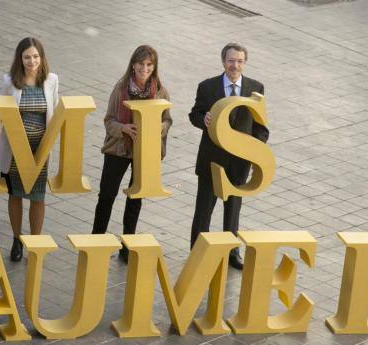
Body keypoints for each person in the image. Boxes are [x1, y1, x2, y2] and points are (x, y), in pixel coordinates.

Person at [189, 43, 269, 270]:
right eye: (231, 61)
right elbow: (194, 114)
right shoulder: (207, 87)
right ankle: (197, 250)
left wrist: (256, 151)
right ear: (223, 61)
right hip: (211, 159)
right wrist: (202, 118)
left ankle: (233, 253)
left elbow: (260, 125)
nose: (235, 65)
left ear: (245, 62)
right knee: (204, 209)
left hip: (239, 162)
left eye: (240, 61)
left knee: (233, 209)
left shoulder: (256, 88)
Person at [92, 45, 172, 262]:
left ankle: (127, 246)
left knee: (135, 197)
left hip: (145, 151)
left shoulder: (160, 90)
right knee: (107, 195)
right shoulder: (120, 89)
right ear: (133, 64)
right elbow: (108, 120)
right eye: (141, 64)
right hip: (119, 150)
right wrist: (123, 128)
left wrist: (159, 128)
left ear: (154, 67)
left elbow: (167, 120)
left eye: (149, 64)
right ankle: (96, 241)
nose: (144, 68)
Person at [0, 37, 59, 262]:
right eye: (27, 57)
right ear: (20, 59)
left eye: (36, 56)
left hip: (39, 150)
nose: (32, 61)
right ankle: (17, 239)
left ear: (42, 58)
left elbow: (55, 111)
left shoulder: (51, 80)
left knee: (38, 196)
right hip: (15, 150)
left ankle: (35, 241)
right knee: (16, 194)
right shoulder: (10, 82)